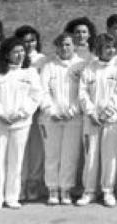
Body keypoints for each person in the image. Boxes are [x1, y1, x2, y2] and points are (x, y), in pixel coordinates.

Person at [0, 36, 42, 211]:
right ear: (6, 54)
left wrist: (21, 114)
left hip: (21, 124)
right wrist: (0, 114)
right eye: (15, 51)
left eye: (22, 51)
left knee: (16, 161)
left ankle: (12, 197)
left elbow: (35, 96)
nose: (19, 55)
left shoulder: (30, 73)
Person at [77, 32, 117, 207]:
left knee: (110, 157)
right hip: (91, 121)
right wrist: (91, 113)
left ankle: (108, 191)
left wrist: (107, 112)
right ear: (99, 48)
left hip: (112, 121)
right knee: (90, 156)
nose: (110, 50)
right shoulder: (89, 69)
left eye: (113, 47)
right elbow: (82, 93)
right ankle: (89, 191)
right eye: (107, 47)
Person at [39, 32, 85, 205]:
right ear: (56, 47)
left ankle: (66, 189)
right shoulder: (49, 66)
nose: (64, 48)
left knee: (70, 155)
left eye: (68, 44)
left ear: (74, 46)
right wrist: (52, 110)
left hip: (73, 118)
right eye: (61, 45)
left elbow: (84, 91)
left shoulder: (81, 65)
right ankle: (52, 189)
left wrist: (73, 110)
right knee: (52, 154)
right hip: (52, 118)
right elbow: (42, 91)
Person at [13, 25, 45, 201]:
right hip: (20, 112)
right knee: (20, 151)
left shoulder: (43, 60)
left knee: (36, 150)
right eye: (25, 41)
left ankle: (33, 183)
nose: (29, 44)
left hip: (38, 111)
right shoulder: (13, 59)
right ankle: (19, 185)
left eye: (32, 40)